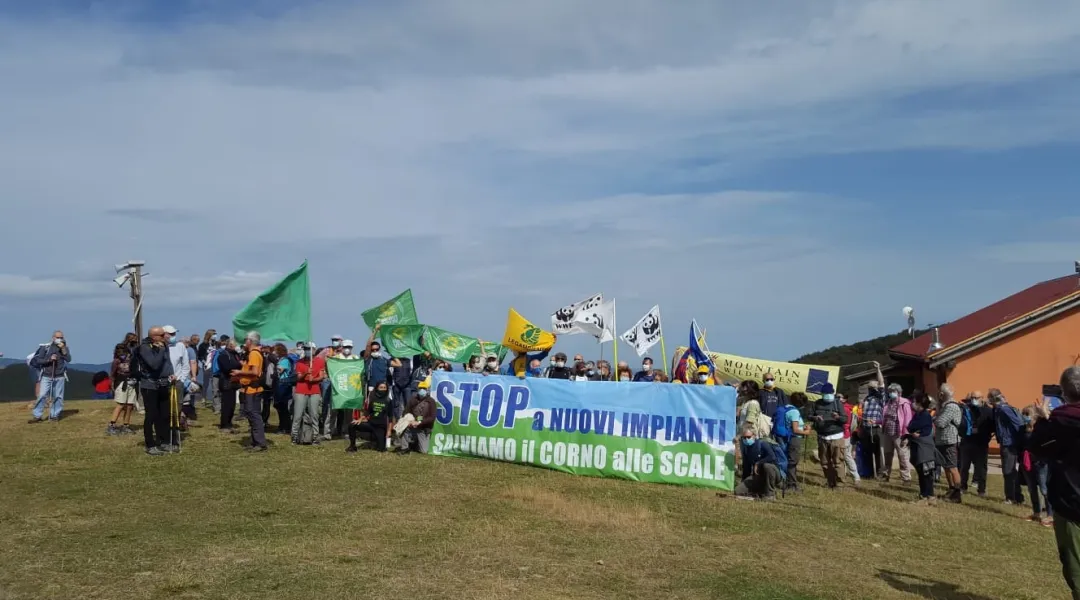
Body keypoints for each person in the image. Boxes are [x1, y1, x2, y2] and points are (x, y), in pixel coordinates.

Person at [1029, 367, 1080, 598]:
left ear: (1064, 392)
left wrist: (1042, 420)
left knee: (1075, 566)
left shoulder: (1060, 421)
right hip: (1070, 499)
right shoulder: (1061, 421)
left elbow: (1038, 446)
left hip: (1070, 503)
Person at [131, 327, 175, 456]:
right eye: (162, 335)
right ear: (154, 336)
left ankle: (163, 440)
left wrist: (171, 374)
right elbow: (154, 364)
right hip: (149, 385)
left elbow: (167, 363)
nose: (165, 336)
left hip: (163, 383)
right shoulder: (145, 347)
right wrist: (160, 350)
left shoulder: (163, 346)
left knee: (164, 414)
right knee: (151, 415)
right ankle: (150, 444)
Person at [990, 388, 1025, 505]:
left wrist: (1016, 439)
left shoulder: (1004, 409)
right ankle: (1017, 496)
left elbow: (1018, 424)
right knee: (1012, 471)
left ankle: (1011, 497)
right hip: (1007, 442)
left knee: (1008, 470)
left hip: (1009, 443)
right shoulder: (999, 410)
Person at [809, 383, 847, 489]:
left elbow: (845, 419)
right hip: (822, 437)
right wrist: (815, 418)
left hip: (836, 437)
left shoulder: (837, 403)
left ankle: (840, 483)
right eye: (825, 393)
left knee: (837, 461)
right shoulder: (816, 404)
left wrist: (838, 417)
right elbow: (809, 416)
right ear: (822, 394)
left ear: (833, 393)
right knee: (825, 462)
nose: (827, 395)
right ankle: (830, 481)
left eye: (829, 393)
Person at [28, 330, 71, 423]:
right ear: (53, 338)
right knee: (42, 395)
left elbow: (68, 359)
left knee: (58, 397)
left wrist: (63, 349)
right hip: (47, 375)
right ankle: (37, 416)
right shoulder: (45, 347)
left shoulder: (64, 348)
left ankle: (54, 415)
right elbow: (39, 360)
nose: (60, 339)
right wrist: (49, 359)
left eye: (61, 337)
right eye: (58, 337)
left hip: (59, 376)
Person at [1019, 406, 1053, 527]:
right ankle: (1036, 512)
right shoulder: (1022, 429)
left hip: (1041, 462)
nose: (1025, 416)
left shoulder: (1041, 428)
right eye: (1023, 414)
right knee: (1032, 489)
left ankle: (1050, 515)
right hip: (1027, 463)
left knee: (1044, 489)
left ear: (1034, 415)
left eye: (1027, 414)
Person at [236, 332, 268, 452]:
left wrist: (240, 373)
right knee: (251, 414)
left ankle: (260, 443)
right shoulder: (253, 354)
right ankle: (256, 441)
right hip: (250, 388)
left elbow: (254, 372)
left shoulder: (254, 354)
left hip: (253, 389)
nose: (245, 342)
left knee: (253, 414)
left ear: (250, 341)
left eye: (246, 340)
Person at [933, 384, 963, 503]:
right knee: (946, 466)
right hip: (942, 440)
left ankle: (957, 492)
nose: (938, 394)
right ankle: (951, 488)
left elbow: (940, 422)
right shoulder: (943, 406)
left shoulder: (951, 406)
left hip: (950, 440)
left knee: (952, 467)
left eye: (940, 393)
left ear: (944, 394)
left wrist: (935, 418)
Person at [959, 390, 993, 497]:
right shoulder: (965, 409)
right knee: (964, 466)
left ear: (982, 398)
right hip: (966, 442)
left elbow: (992, 426)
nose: (974, 400)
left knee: (981, 468)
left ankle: (981, 490)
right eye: (972, 397)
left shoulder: (988, 411)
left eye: (976, 398)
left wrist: (986, 436)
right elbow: (960, 424)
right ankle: (962, 486)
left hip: (981, 443)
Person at [734, 427, 782, 501]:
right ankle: (761, 491)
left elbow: (772, 457)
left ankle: (770, 494)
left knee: (767, 466)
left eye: (748, 437)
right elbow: (747, 469)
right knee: (738, 491)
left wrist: (758, 463)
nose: (746, 439)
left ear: (754, 436)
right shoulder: (746, 449)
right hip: (758, 476)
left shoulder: (763, 444)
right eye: (744, 437)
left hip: (773, 473)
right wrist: (744, 482)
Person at [347, 380, 394, 453]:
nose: (383, 389)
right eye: (381, 387)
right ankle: (352, 446)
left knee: (381, 449)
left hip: (380, 427)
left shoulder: (388, 400)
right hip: (371, 424)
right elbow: (367, 412)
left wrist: (389, 431)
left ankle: (377, 443)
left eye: (385, 388)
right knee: (352, 425)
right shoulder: (373, 398)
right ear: (377, 388)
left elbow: (390, 417)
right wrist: (360, 419)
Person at [291, 343, 325, 445]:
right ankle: (294, 436)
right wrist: (306, 372)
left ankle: (315, 436)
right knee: (297, 415)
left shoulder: (319, 361)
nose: (307, 351)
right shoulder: (299, 362)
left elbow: (321, 376)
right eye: (305, 349)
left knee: (314, 414)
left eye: (309, 349)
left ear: (314, 350)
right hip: (301, 390)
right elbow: (298, 377)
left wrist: (314, 379)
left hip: (314, 390)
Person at [906, 394, 937, 505]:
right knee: (921, 472)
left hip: (924, 447)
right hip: (917, 445)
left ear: (920, 404)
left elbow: (912, 426)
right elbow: (910, 426)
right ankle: (925, 495)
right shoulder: (918, 414)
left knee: (925, 473)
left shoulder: (924, 415)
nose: (913, 403)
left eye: (915, 401)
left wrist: (915, 432)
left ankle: (928, 496)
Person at [881, 382, 913, 484]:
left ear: (899, 392)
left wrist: (906, 434)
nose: (891, 393)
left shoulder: (904, 403)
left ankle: (906, 478)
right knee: (887, 454)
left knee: (902, 455)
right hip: (887, 432)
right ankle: (886, 474)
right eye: (889, 391)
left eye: (893, 391)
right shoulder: (888, 403)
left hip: (899, 434)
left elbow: (908, 420)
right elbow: (884, 418)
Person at [860, 364, 887, 479]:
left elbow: (881, 383)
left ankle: (880, 473)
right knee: (867, 451)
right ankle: (869, 473)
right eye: (869, 388)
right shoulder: (867, 398)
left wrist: (878, 369)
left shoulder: (881, 397)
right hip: (866, 427)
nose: (871, 389)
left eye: (873, 388)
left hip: (877, 428)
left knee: (878, 452)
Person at [396, 377, 436, 454]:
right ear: (418, 389)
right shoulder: (413, 399)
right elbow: (405, 412)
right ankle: (405, 448)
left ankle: (414, 443)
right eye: (420, 388)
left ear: (427, 390)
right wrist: (410, 420)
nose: (422, 390)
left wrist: (419, 422)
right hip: (412, 424)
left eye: (424, 388)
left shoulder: (431, 401)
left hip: (423, 428)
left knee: (424, 451)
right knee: (402, 426)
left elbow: (432, 417)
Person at [783, 392, 812, 491]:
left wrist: (802, 426)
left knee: (791, 460)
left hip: (789, 438)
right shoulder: (795, 412)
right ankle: (791, 485)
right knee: (793, 462)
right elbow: (795, 429)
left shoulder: (787, 408)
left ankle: (791, 483)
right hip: (794, 438)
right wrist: (806, 432)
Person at [106, 343, 138, 435]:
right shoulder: (116, 361)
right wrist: (112, 386)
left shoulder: (131, 359)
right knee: (120, 404)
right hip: (121, 383)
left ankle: (126, 425)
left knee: (129, 405)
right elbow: (112, 374)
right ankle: (112, 424)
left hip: (131, 383)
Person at [164, 326, 193, 424]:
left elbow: (185, 365)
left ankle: (176, 426)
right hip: (163, 381)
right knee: (165, 406)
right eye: (171, 334)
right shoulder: (160, 347)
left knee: (178, 405)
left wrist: (181, 379)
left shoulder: (180, 346)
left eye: (174, 334)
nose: (173, 336)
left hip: (178, 381)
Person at [216, 338, 242, 432]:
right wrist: (239, 365)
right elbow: (227, 367)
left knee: (232, 404)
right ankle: (224, 424)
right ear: (231, 345)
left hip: (233, 382)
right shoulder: (223, 355)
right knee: (227, 404)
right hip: (226, 381)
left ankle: (229, 422)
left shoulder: (235, 355)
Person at [839, 392, 861, 486]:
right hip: (838, 435)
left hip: (844, 435)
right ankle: (841, 476)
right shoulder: (838, 407)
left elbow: (847, 424)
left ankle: (856, 477)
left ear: (844, 399)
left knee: (847, 456)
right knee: (839, 456)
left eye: (839, 397)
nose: (837, 399)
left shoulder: (846, 409)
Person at [272, 343, 294, 434]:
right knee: (279, 406)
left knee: (282, 407)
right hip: (279, 384)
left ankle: (285, 427)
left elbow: (280, 371)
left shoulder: (284, 360)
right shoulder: (280, 360)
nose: (273, 352)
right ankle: (283, 426)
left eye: (275, 350)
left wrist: (275, 364)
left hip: (283, 385)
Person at [362, 327, 391, 392]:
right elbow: (368, 344)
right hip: (371, 388)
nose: (375, 351)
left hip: (383, 387)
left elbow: (398, 364)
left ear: (379, 349)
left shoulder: (384, 360)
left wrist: (391, 352)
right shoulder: (368, 359)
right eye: (373, 350)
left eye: (376, 349)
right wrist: (375, 330)